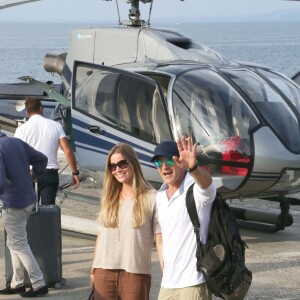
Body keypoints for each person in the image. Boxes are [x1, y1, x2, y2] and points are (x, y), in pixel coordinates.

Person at [90, 143, 162, 300]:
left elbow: (160, 238)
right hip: (103, 271)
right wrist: (93, 269)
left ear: (133, 163)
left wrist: (167, 272)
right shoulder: (109, 197)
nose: (117, 170)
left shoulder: (152, 197)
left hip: (135, 273)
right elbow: (101, 236)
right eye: (112, 166)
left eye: (122, 163)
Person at [151, 136, 217, 300]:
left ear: (180, 162)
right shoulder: (160, 195)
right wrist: (163, 264)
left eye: (170, 161)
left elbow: (208, 186)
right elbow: (161, 233)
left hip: (193, 283)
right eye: (159, 162)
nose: (164, 166)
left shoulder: (194, 190)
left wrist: (194, 168)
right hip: (168, 283)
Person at [0, 128, 49, 297]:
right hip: (28, 199)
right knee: (13, 242)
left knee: (19, 244)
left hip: (13, 203)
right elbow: (42, 159)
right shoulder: (15, 142)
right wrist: (34, 173)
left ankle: (39, 284)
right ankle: (17, 283)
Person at [14, 97, 80, 205]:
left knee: (29, 211)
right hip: (50, 173)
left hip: (30, 174)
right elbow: (67, 150)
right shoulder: (56, 126)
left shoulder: (21, 130)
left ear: (27, 112)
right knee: (49, 211)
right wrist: (75, 173)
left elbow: (17, 155)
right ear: (41, 109)